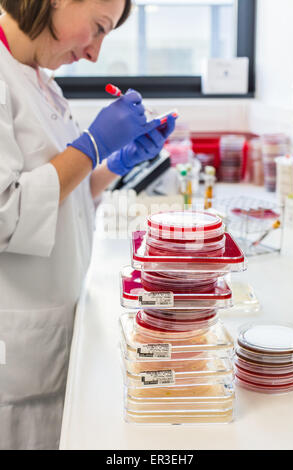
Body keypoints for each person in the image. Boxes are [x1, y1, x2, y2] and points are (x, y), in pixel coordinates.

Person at [0, 0, 176, 450]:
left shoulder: (40, 82)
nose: (95, 53)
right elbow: (5, 213)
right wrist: (91, 144)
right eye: (98, 28)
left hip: (53, 327)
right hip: (14, 357)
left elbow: (64, 196)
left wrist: (116, 161)